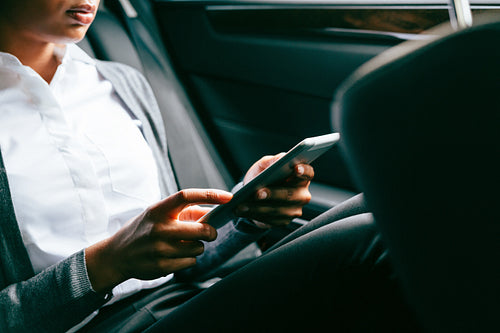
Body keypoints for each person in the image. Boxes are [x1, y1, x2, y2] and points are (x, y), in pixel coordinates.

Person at [0, 0, 420, 332]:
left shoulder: (120, 83)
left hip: (183, 301)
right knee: (372, 239)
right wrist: (106, 265)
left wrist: (244, 214)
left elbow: (184, 259)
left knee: (397, 205)